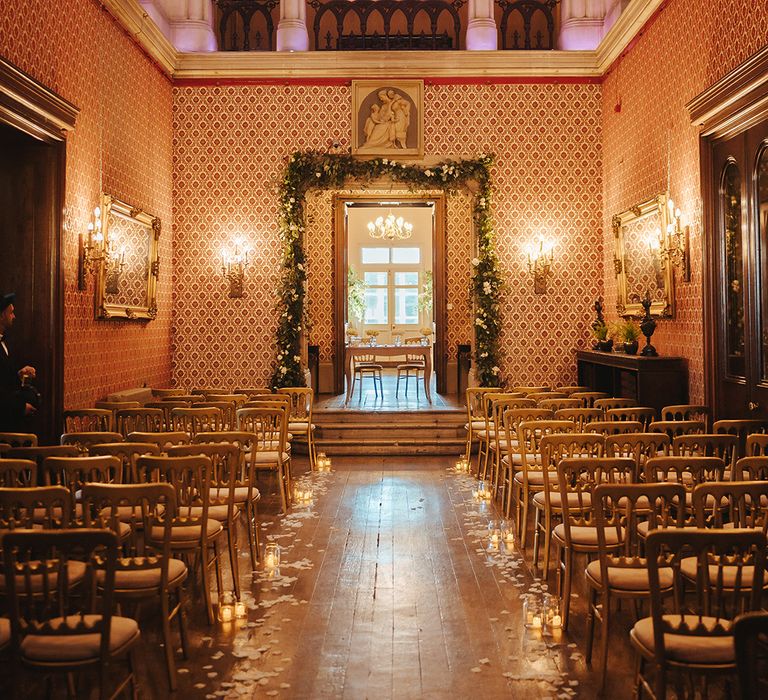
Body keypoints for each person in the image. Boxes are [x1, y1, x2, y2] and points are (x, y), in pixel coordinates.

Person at [0, 292, 37, 431]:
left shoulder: (4, 342)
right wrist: (20, 407)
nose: (14, 316)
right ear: (2, 315)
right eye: (11, 313)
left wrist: (19, 375)